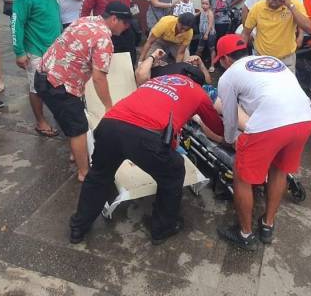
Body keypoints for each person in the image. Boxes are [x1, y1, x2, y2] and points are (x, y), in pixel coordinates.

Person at [69, 50, 223, 246]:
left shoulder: (154, 82)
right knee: (174, 171)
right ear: (198, 81)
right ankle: (163, 228)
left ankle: (77, 228)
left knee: (99, 176)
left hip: (109, 126)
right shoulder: (198, 92)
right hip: (145, 136)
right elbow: (217, 127)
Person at [214, 34, 311, 250]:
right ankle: (267, 225)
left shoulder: (228, 76)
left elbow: (230, 117)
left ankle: (245, 234)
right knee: (279, 170)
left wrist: (230, 140)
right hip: (304, 119)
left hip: (269, 125)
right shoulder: (271, 61)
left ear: (224, 60)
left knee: (242, 178)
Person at [35, 1, 130, 182]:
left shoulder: (86, 20)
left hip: (43, 76)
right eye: (125, 23)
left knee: (67, 119)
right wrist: (109, 106)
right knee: (79, 128)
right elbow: (99, 77)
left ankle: (75, 154)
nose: (127, 28)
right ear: (115, 19)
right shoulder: (104, 39)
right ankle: (84, 172)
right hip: (60, 86)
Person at [11, 0, 66, 137]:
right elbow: (17, 23)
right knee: (37, 88)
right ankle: (40, 121)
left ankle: (57, 115)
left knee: (56, 85)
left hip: (54, 49)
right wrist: (19, 52)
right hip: (36, 50)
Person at [81, 0, 152, 64]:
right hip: (106, 34)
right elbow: (85, 13)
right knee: (108, 62)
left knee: (129, 60)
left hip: (125, 30)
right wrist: (87, 33)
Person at [241, 0, 311, 72]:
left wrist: (290, 6)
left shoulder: (294, 5)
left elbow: (308, 27)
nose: (273, 3)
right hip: (262, 59)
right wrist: (240, 57)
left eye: (278, 0)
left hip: (286, 60)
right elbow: (245, 33)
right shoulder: (257, 8)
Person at [195, 0, 216, 71]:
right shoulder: (202, 11)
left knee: (211, 49)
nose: (204, 5)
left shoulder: (210, 13)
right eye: (203, 3)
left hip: (209, 34)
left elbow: (210, 24)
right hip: (202, 33)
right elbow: (196, 15)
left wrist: (207, 34)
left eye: (206, 4)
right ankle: (196, 63)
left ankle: (212, 65)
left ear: (210, 5)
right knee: (199, 48)